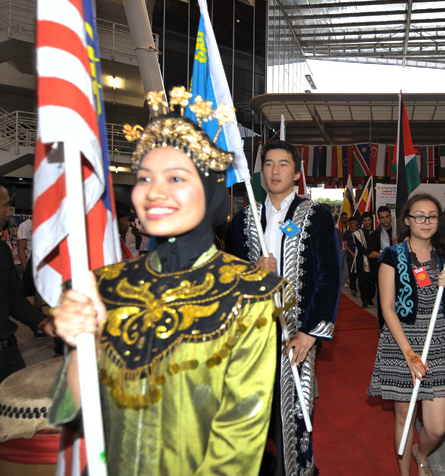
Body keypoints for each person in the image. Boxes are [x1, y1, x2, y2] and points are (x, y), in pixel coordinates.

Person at [49, 89, 289, 476]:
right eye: (145, 177)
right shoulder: (104, 287)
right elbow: (70, 411)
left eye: (176, 177)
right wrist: (82, 342)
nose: (154, 191)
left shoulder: (247, 293)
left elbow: (238, 447)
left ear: (210, 192)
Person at [227, 140, 341, 476]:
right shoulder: (244, 219)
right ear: (261, 172)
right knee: (250, 418)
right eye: (269, 164)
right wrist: (253, 276)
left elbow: (330, 276)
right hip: (251, 336)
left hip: (296, 334)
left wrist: (310, 333)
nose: (275, 171)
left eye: (283, 164)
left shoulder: (315, 216)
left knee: (294, 417)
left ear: (296, 172)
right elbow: (231, 280)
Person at [367, 194, 445, 476]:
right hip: (401, 341)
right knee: (405, 418)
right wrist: (409, 354)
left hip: (438, 341)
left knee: (437, 427)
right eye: (418, 215)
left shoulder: (444, 257)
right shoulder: (392, 255)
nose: (425, 221)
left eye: (432, 216)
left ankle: (423, 452)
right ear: (407, 220)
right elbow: (387, 309)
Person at [0, 178, 55, 383]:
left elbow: (14, 299)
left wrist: (42, 322)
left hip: (8, 354)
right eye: (5, 206)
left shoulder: (2, 251)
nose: (8, 213)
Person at [367, 205, 396, 327]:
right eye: (382, 217)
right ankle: (383, 325)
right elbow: (371, 253)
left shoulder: (397, 232)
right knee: (384, 299)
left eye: (387, 216)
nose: (385, 220)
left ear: (390, 216)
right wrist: (389, 253)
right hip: (382, 271)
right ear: (378, 219)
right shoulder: (375, 234)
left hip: (399, 270)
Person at [353, 211, 373, 307]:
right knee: (363, 282)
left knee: (372, 282)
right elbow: (361, 249)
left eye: (368, 220)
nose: (367, 222)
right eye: (365, 220)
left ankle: (370, 299)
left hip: (373, 260)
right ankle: (364, 300)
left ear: (371, 220)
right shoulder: (358, 234)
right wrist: (370, 252)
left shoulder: (375, 232)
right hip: (362, 260)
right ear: (362, 222)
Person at [343, 217, 359, 296]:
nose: (353, 224)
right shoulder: (347, 233)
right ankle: (353, 287)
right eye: (351, 223)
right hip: (350, 254)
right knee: (351, 270)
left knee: (358, 270)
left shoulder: (359, 231)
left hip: (358, 253)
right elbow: (345, 245)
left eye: (354, 222)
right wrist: (351, 253)